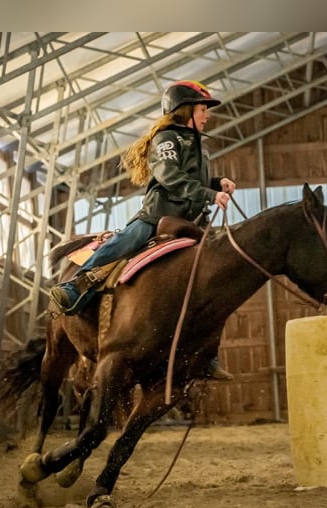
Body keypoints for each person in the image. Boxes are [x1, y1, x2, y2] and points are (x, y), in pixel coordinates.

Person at [50, 79, 235, 380]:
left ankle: (203, 353)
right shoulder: (166, 139)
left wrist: (217, 184)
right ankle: (76, 286)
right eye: (203, 109)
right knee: (128, 239)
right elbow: (170, 176)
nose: (207, 115)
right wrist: (210, 195)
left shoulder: (201, 146)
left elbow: (194, 181)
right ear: (184, 110)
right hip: (159, 217)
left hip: (191, 225)